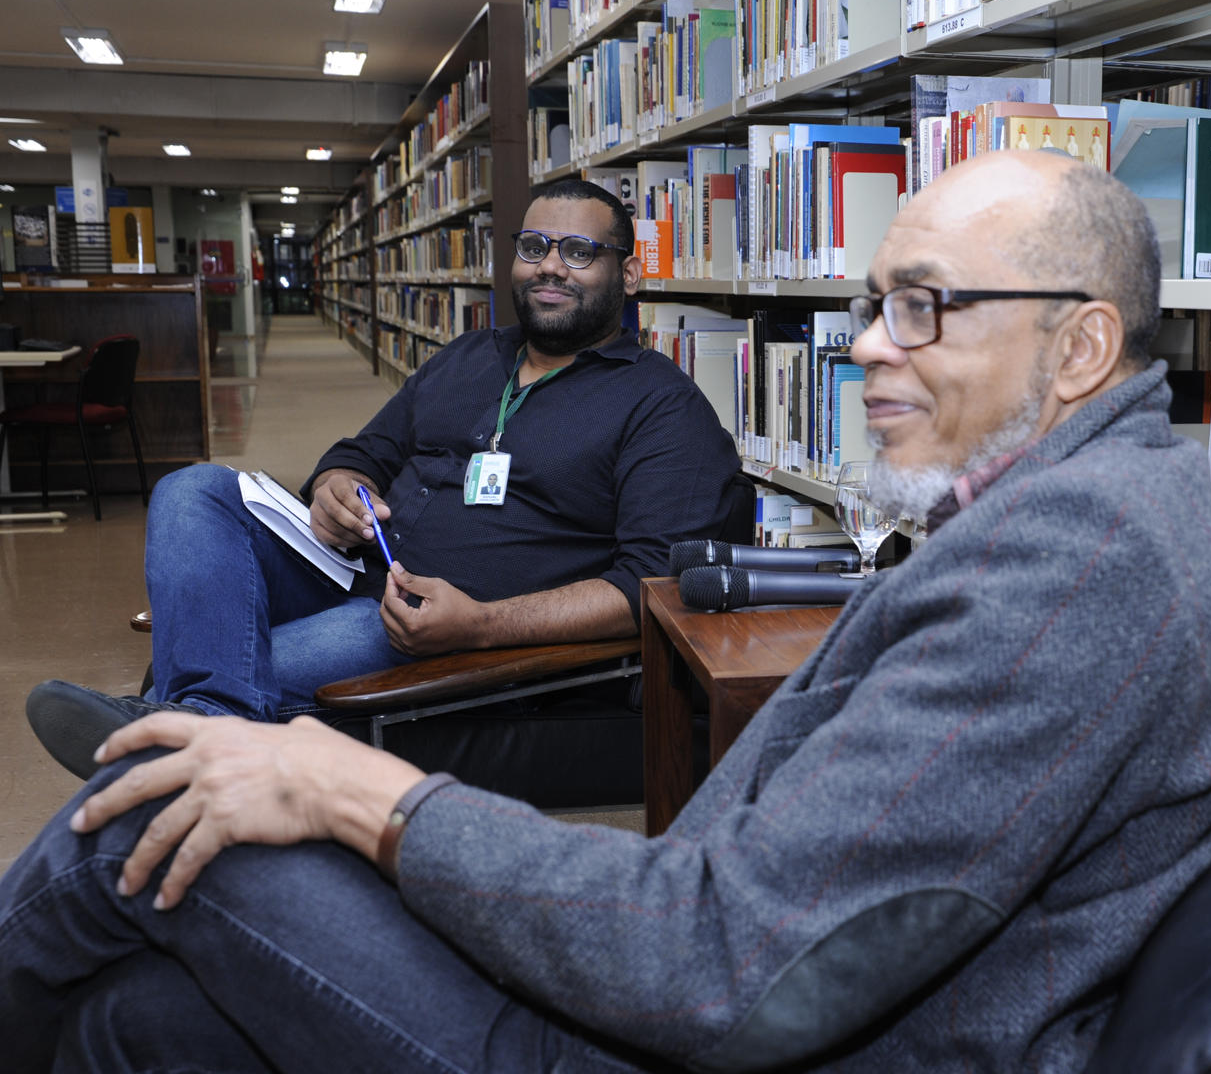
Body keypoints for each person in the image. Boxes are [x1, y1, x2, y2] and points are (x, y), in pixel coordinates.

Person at [0, 149, 1211, 1074]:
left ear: (1079, 343)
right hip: (710, 1025)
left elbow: (729, 967)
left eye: (922, 306)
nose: (863, 346)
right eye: (874, 301)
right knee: (139, 1023)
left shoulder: (1075, 566)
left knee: (156, 815)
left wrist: (356, 787)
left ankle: (205, 729)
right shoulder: (1094, 505)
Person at [24, 178, 743, 779]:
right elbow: (367, 446)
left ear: (630, 272)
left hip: (426, 620)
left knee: (205, 661)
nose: (550, 266)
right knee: (191, 489)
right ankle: (205, 727)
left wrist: (484, 624)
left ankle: (182, 730)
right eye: (534, 246)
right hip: (346, 564)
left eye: (580, 251)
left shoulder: (662, 404)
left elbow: (650, 584)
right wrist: (338, 481)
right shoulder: (469, 355)